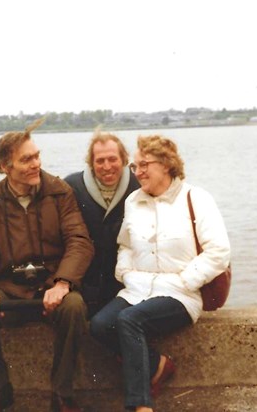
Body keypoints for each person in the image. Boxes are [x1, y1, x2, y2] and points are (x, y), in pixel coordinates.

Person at [0, 119, 94, 412]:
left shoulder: (60, 192)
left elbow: (79, 242)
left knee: (74, 308)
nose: (36, 164)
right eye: (26, 159)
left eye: (37, 156)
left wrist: (63, 283)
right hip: (10, 290)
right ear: (5, 167)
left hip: (52, 286)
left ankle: (61, 394)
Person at [89, 135, 231, 412]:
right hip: (137, 290)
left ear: (166, 165)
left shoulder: (196, 198)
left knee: (130, 320)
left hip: (180, 293)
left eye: (144, 165)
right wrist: (126, 272)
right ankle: (158, 365)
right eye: (135, 166)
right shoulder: (133, 201)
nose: (137, 172)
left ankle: (140, 405)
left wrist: (186, 280)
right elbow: (126, 245)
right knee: (99, 325)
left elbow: (219, 251)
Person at [65, 128, 140, 317]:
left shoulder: (139, 185)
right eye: (100, 161)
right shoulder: (72, 187)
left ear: (124, 159)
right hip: (86, 282)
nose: (107, 166)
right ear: (91, 163)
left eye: (113, 159)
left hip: (127, 283)